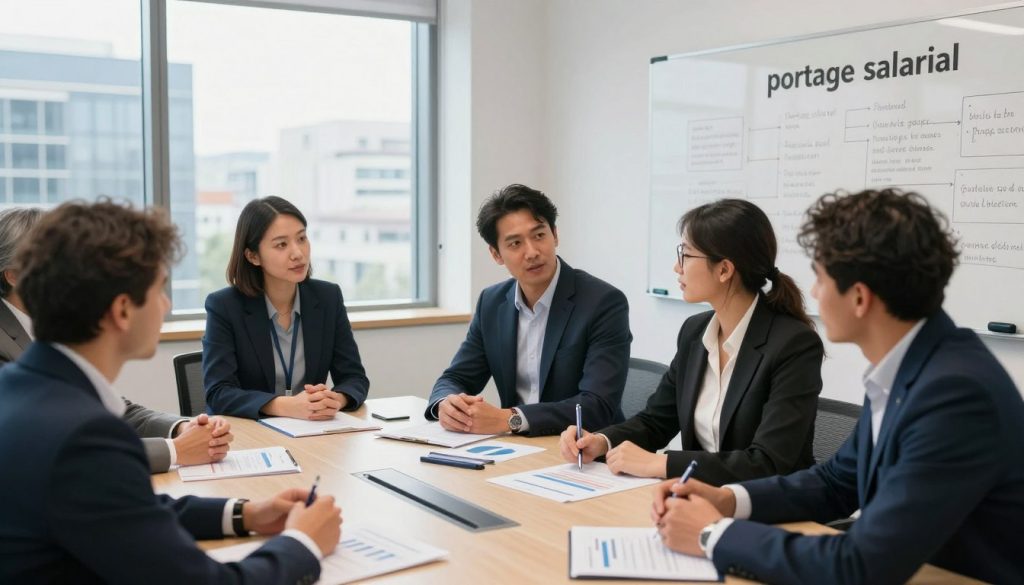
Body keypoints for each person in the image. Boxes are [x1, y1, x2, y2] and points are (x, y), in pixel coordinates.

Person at [652, 189, 1024, 585]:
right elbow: (836, 482)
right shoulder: (910, 367)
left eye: (822, 278)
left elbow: (861, 565)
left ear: (859, 298)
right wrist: (727, 500)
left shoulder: (954, 396)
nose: (813, 293)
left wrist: (712, 534)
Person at [0, 199, 342, 583]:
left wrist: (245, 513)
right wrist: (304, 543)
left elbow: (127, 506)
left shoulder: (25, 388)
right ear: (122, 310)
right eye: (160, 289)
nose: (166, 305)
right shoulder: (81, 437)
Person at [560, 199, 824, 484]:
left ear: (724, 270)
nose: (677, 267)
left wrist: (662, 464)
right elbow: (656, 421)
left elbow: (768, 462)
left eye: (686, 255)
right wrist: (601, 441)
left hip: (764, 508)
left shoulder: (794, 344)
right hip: (697, 501)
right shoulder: (694, 332)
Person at [0, 207, 232, 473]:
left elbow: (110, 408)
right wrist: (176, 450)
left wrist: (180, 427)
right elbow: (61, 451)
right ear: (13, 275)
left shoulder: (57, 325)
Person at [426, 183, 631, 436]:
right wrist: (446, 404)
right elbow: (455, 378)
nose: (532, 252)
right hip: (516, 450)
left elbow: (596, 405)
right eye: (515, 243)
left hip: (583, 450)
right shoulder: (491, 303)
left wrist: (510, 419)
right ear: (496, 254)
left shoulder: (603, 302)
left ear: (554, 235)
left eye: (539, 235)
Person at [203, 196, 369, 420]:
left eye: (302, 238)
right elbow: (218, 392)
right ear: (253, 256)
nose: (298, 253)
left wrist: (336, 399)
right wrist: (281, 406)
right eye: (281, 244)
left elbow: (355, 378)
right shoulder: (225, 306)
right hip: (251, 435)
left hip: (312, 431)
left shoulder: (328, 298)